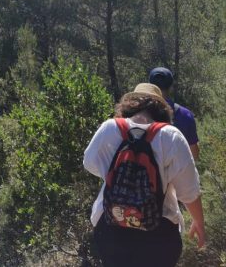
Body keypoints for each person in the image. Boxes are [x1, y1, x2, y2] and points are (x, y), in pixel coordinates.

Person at [84, 83, 205, 267]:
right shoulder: (171, 136)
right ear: (162, 110)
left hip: (110, 226)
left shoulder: (109, 128)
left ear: (128, 105)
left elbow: (89, 163)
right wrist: (198, 221)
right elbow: (189, 191)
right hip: (159, 234)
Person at [149, 67, 199, 159]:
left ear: (149, 87)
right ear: (171, 87)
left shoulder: (138, 114)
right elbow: (194, 154)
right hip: (175, 171)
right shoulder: (186, 115)